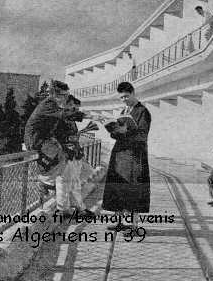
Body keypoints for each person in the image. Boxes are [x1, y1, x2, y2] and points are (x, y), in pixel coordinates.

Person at [24, 80, 84, 217]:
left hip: (46, 139)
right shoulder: (49, 104)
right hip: (36, 140)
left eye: (66, 95)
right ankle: (45, 183)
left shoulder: (55, 104)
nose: (65, 98)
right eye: (63, 95)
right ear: (54, 94)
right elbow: (65, 115)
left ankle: (50, 188)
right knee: (62, 166)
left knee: (63, 164)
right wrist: (90, 116)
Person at [102, 82, 151, 234]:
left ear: (133, 93)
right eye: (121, 97)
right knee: (117, 185)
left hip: (135, 155)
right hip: (120, 154)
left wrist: (125, 131)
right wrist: (114, 130)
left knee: (134, 187)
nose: (124, 100)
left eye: (126, 96)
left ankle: (135, 226)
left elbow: (142, 134)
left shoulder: (143, 111)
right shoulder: (124, 110)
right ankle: (119, 222)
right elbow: (116, 133)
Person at [59, 95, 96, 217]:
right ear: (67, 104)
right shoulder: (60, 117)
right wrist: (71, 138)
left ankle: (79, 208)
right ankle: (65, 209)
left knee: (75, 183)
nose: (76, 110)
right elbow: (57, 136)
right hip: (65, 155)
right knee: (64, 183)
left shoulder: (70, 119)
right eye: (74, 107)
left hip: (74, 154)